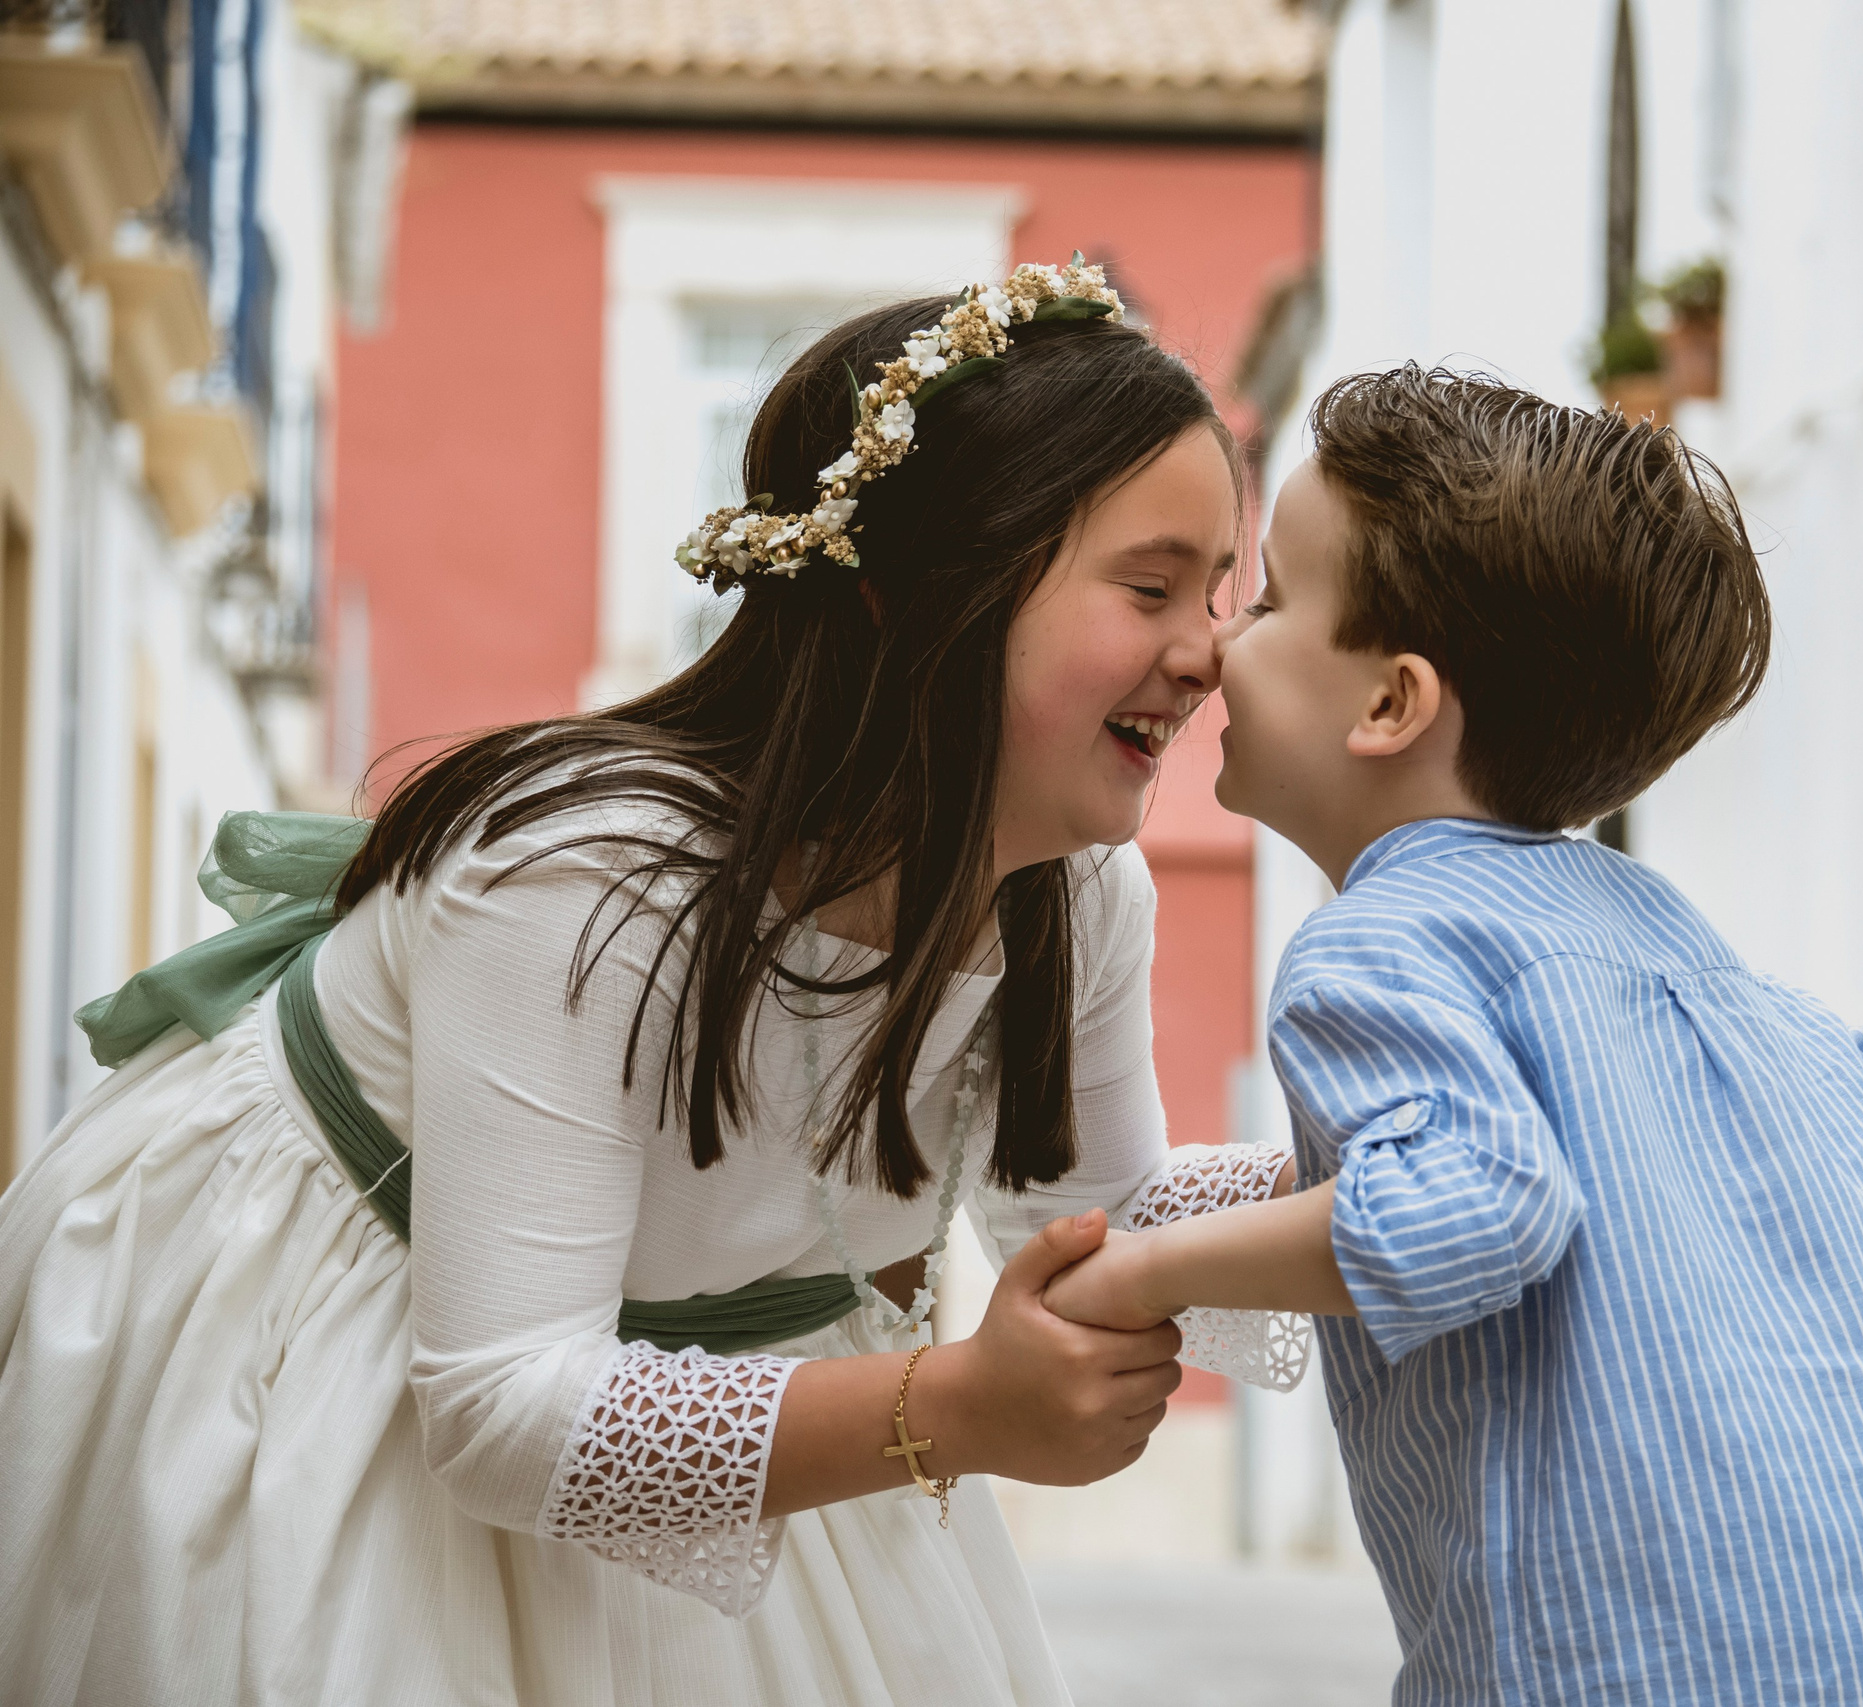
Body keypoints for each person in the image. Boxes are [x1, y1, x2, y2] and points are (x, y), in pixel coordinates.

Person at [0, 260, 1303, 1705]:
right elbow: (502, 1404)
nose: (1211, 653)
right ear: (912, 598)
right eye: (1151, 587)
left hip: (701, 1386)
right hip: (337, 1366)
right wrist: (951, 1408)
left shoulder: (1075, 891)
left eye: (1222, 593)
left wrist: (1373, 1188)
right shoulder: (586, 884)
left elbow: (1094, 1218)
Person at [1045, 366, 1863, 1704]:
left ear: (1391, 705)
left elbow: (1478, 1203)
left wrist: (1145, 1271)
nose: (1216, 646)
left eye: (1264, 601)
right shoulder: (1700, 956)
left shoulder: (1377, 943)